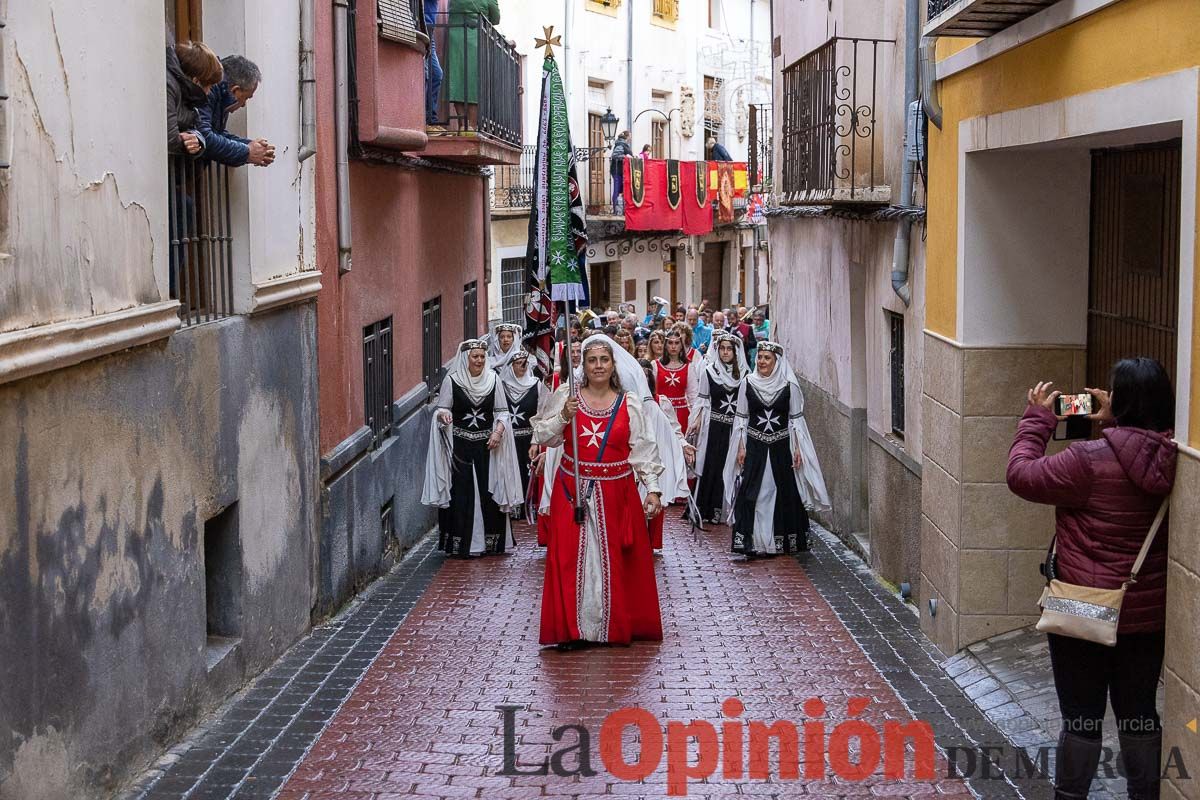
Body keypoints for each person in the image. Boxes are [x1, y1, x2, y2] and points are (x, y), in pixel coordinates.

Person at [1006, 359, 1177, 800]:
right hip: (1145, 616)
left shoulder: (1087, 460)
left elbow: (1020, 475)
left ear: (1121, 401)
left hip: (1082, 610)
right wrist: (1122, 424)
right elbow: (1140, 451)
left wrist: (1037, 421)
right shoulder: (1174, 460)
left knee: (1081, 717)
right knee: (1139, 714)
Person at [532, 336, 665, 649]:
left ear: (613, 364)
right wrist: (564, 414)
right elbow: (543, 435)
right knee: (570, 559)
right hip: (572, 493)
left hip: (618, 493)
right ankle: (573, 629)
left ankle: (610, 626)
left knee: (615, 559)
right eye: (592, 360)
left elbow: (644, 448)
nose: (598, 366)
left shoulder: (628, 402)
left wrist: (653, 489)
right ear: (583, 365)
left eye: (604, 360)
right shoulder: (568, 395)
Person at [724, 342, 830, 556]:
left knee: (780, 492)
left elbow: (796, 421)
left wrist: (798, 449)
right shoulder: (748, 383)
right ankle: (755, 542)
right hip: (755, 447)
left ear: (777, 362)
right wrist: (741, 446)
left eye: (767, 358)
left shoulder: (789, 386)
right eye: (760, 357)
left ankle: (776, 542)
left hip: (782, 448)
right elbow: (742, 417)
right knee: (754, 493)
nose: (762, 361)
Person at [422, 339, 524, 557]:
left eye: (481, 356)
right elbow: (442, 409)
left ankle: (491, 542)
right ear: (465, 358)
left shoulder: (493, 380)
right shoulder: (453, 380)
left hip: (488, 448)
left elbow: (502, 412)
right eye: (475, 356)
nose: (479, 360)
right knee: (461, 494)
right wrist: (443, 416)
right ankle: (462, 544)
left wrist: (498, 432)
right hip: (460, 449)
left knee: (489, 492)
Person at [688, 334, 747, 524]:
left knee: (733, 466)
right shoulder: (709, 372)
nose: (725, 352)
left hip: (735, 428)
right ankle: (708, 509)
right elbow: (703, 399)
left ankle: (729, 509)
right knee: (712, 465)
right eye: (722, 348)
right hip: (713, 427)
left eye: (729, 348)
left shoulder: (745, 374)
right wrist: (696, 421)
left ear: (736, 351)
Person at [639, 359, 694, 550]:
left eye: (647, 377)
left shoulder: (661, 402)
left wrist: (684, 444)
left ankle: (652, 542)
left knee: (655, 498)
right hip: (634, 458)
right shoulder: (624, 401)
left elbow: (674, 429)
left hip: (656, 459)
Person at [198, 55, 275, 168]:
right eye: (246, 98)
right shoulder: (210, 91)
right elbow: (204, 137)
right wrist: (247, 151)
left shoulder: (221, 95)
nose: (243, 104)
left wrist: (250, 147)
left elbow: (216, 134)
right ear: (236, 90)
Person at [500, 351, 547, 515]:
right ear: (511, 366)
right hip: (509, 439)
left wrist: (537, 439)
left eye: (525, 363)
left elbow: (542, 412)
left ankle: (530, 507)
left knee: (529, 472)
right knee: (512, 472)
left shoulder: (536, 385)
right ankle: (513, 508)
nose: (522, 366)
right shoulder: (502, 385)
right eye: (518, 363)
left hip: (529, 439)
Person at [445, 0, 501, 130]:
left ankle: (461, 125)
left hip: (455, 35)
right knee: (474, 81)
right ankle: (471, 125)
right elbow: (496, 19)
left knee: (456, 79)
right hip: (475, 37)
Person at [167, 41, 223, 157]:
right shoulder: (170, 86)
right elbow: (171, 139)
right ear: (196, 81)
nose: (208, 93)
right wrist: (186, 141)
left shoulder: (186, 92)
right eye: (209, 87)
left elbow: (196, 129)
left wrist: (196, 138)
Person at [654, 327, 700, 433]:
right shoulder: (655, 365)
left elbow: (693, 395)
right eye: (670, 343)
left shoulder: (688, 366)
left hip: (682, 414)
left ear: (681, 345)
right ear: (665, 345)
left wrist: (695, 417)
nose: (673, 346)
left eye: (677, 343)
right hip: (661, 412)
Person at [424, 0, 444, 127]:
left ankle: (430, 119)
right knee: (428, 75)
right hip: (422, 27)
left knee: (436, 75)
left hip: (429, 32)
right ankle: (427, 120)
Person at [610, 131, 632, 211]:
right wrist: (626, 157)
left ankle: (620, 209)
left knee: (621, 190)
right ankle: (616, 209)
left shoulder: (624, 144)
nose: (631, 138)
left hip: (622, 171)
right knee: (617, 189)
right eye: (630, 136)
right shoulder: (620, 144)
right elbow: (615, 155)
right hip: (617, 170)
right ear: (627, 137)